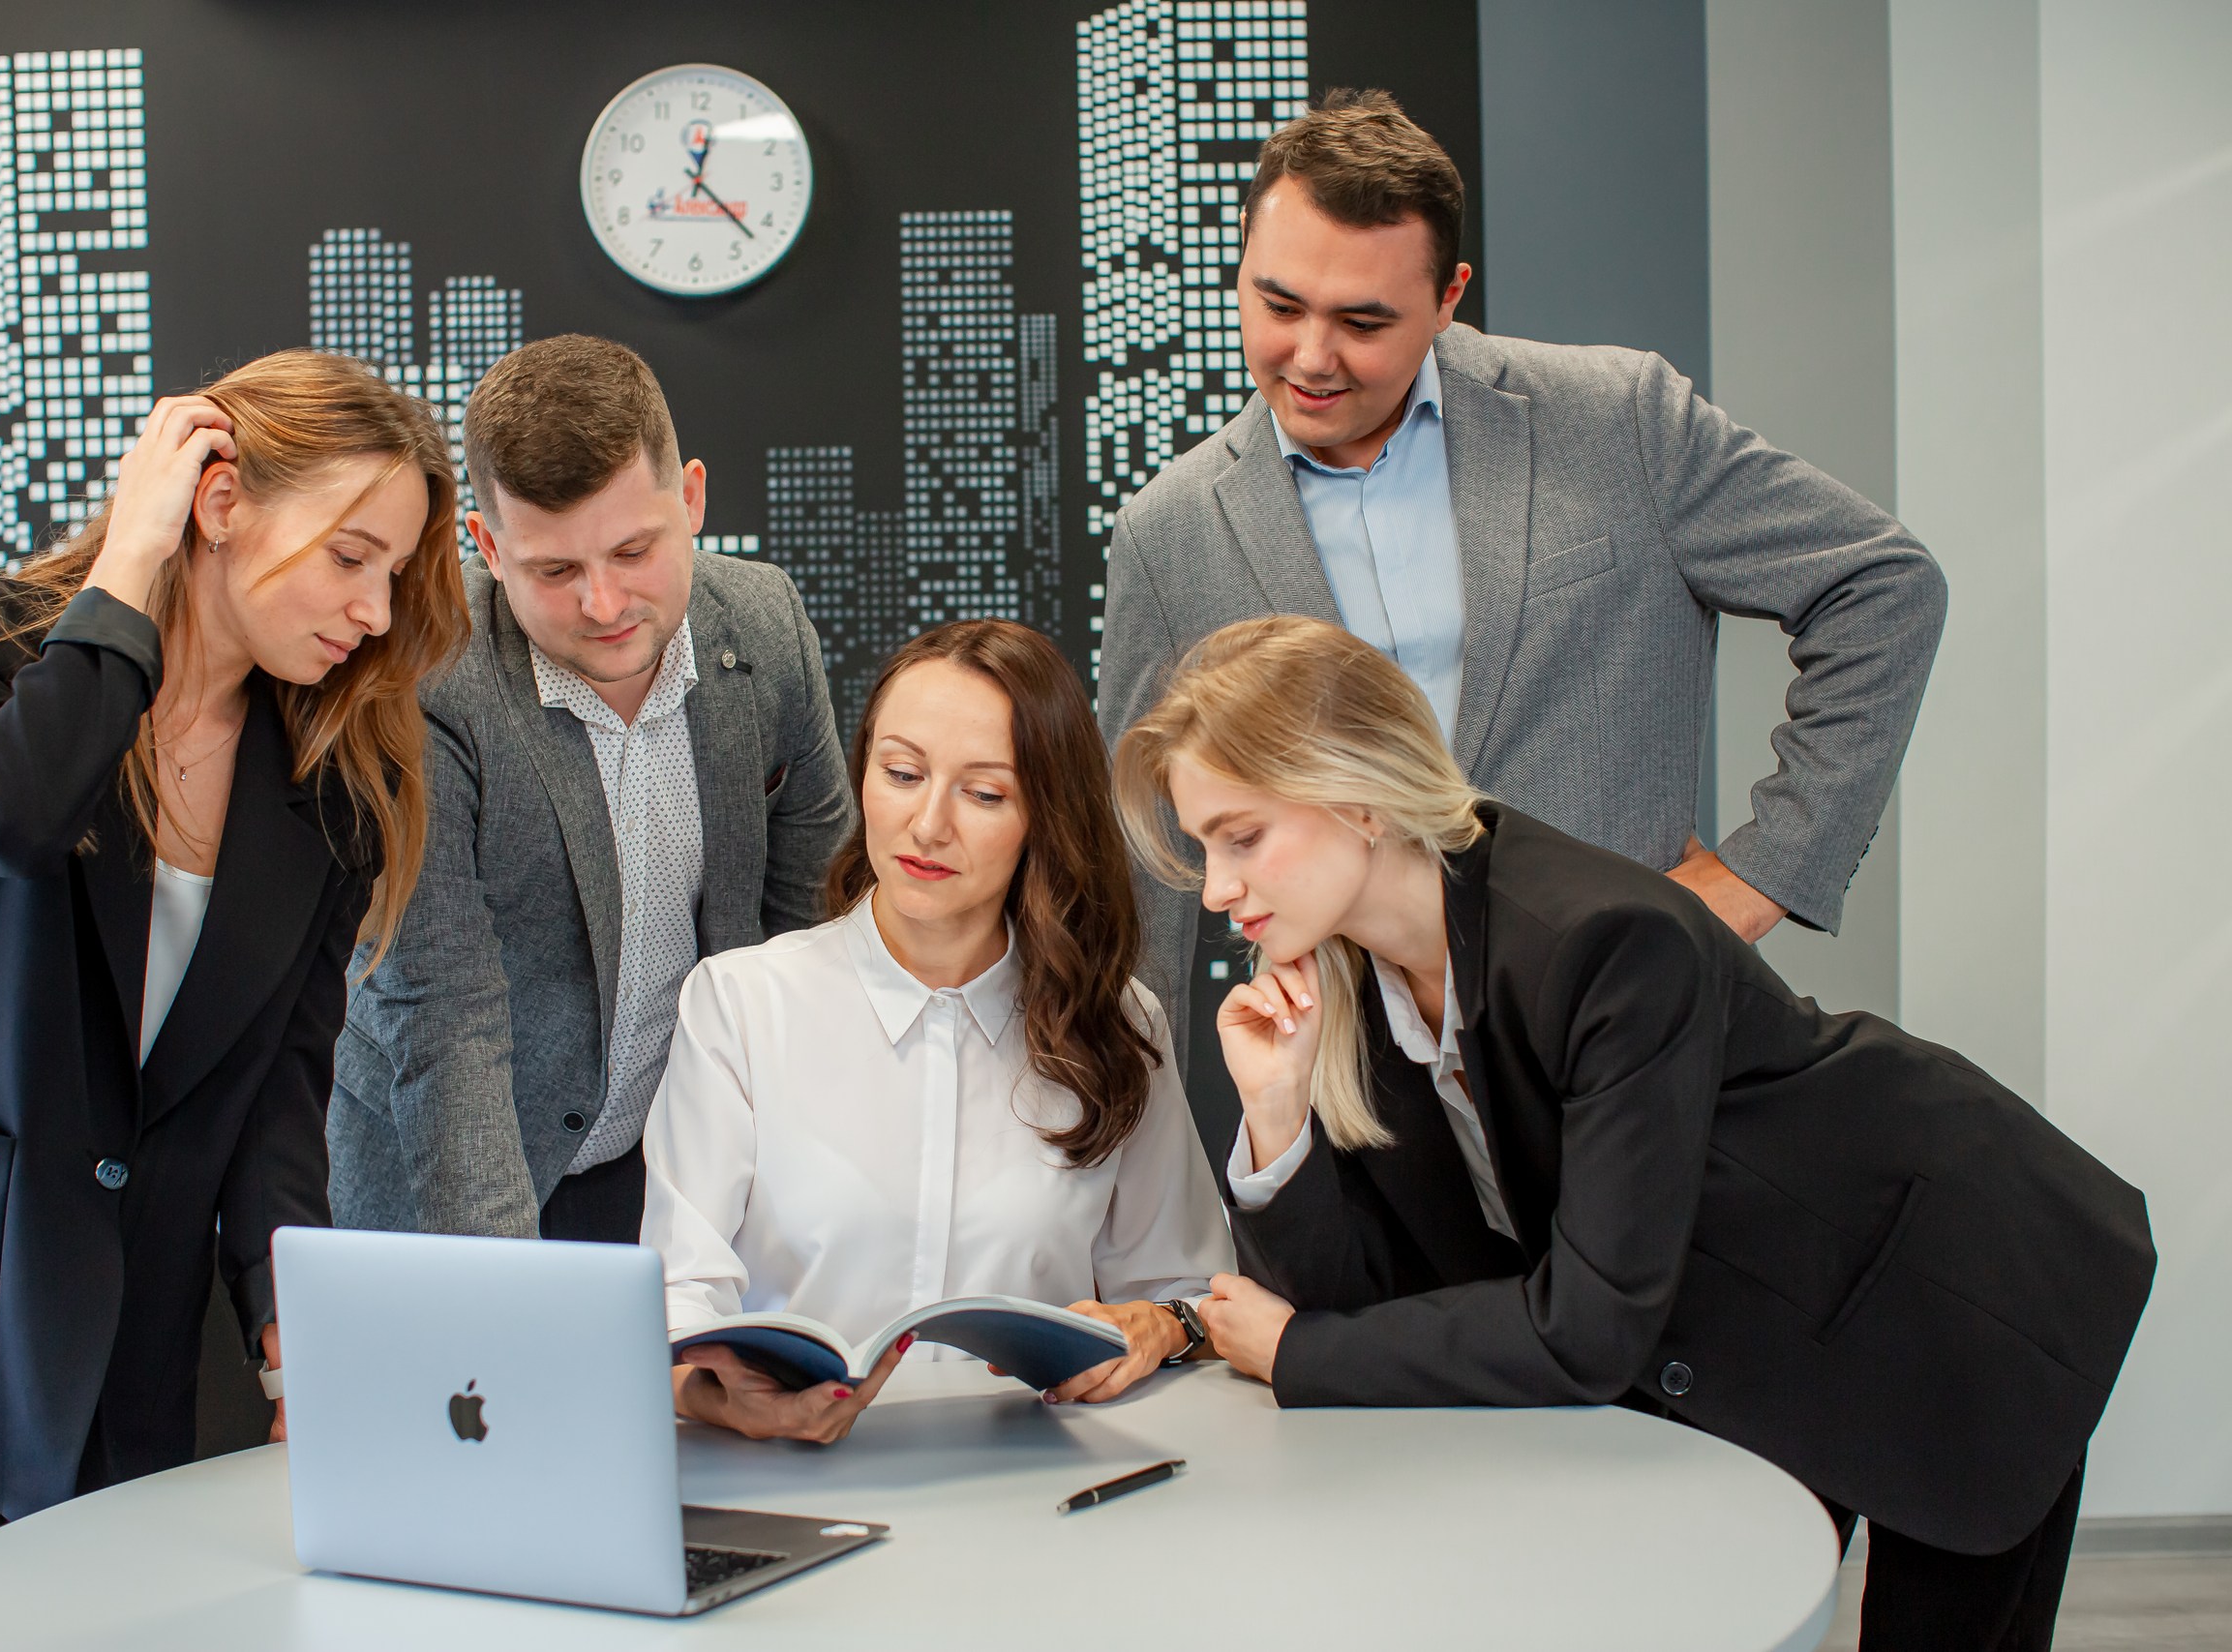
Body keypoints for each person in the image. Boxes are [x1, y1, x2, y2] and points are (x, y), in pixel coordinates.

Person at [1115, 616, 2152, 1652]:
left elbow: (1584, 1327)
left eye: (1240, 837)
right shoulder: (1346, 989)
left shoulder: (1605, 939)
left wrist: (1297, 1353)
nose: (1216, 891)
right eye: (1205, 847)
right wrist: (1279, 1113)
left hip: (1949, 1299)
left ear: (1358, 793)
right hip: (1734, 1344)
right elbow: (1380, 1311)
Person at [0, 351, 469, 1635]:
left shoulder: (333, 789)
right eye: (350, 555)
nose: (372, 609)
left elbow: (273, 1100)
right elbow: (15, 816)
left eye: (394, 575)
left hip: (140, 1353)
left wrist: (281, 1317)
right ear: (215, 500)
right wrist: (129, 563)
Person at [1096, 90, 1947, 1064]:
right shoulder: (1169, 530)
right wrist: (1133, 1131)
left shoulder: (1617, 420)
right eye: (1277, 304)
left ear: (1450, 294)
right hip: (1362, 1090)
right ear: (1241, 256)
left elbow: (1881, 587)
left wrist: (1763, 874)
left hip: (1640, 1039)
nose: (1310, 356)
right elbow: (1142, 866)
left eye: (1363, 321)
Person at [645, 621, 1233, 1443]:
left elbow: (1193, 1290)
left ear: (1044, 814)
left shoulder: (1117, 1021)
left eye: (984, 793)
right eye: (902, 773)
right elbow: (674, 1300)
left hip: (1038, 1484)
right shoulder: (741, 1004)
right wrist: (718, 1398)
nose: (927, 824)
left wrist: (1158, 1326)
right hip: (787, 1478)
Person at [329, 336, 852, 1245]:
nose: (605, 604)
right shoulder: (422, 680)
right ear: (489, 547)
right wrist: (506, 1299)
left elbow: (813, 934)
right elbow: (444, 1021)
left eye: (634, 550)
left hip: (680, 1171)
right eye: (556, 571)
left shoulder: (767, 627)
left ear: (690, 498)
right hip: (456, 1177)